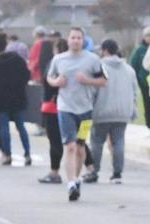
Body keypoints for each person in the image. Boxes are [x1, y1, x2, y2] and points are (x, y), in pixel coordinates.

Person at [46, 27, 106, 202]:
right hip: (65, 109)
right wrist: (57, 82)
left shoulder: (93, 59)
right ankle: (71, 182)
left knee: (80, 147)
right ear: (68, 39)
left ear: (83, 40)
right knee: (70, 146)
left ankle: (77, 178)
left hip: (86, 110)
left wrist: (88, 81)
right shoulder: (58, 59)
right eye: (73, 37)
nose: (76, 41)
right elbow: (49, 78)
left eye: (79, 38)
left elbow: (104, 80)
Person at [89, 39, 136, 183]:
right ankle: (117, 173)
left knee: (97, 142)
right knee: (119, 142)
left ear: (105, 50)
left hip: (102, 111)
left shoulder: (99, 67)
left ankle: (93, 171)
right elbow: (135, 92)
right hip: (122, 112)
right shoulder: (129, 69)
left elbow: (93, 90)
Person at [0, 31, 32, 166]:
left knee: (3, 127)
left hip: (0, 99)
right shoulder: (17, 60)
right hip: (18, 97)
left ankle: (7, 154)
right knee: (21, 126)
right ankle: (27, 153)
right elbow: (26, 76)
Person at [38, 37, 66, 183]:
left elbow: (48, 85)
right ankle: (90, 167)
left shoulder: (54, 63)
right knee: (78, 141)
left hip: (53, 108)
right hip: (80, 109)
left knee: (55, 141)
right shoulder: (75, 63)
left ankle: (54, 171)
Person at [129, 27, 150, 134]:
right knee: (148, 105)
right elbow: (133, 66)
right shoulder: (139, 50)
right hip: (145, 82)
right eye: (149, 35)